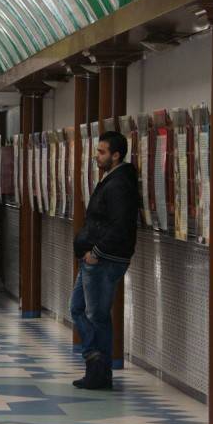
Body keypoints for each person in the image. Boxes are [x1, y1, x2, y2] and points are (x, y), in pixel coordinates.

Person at [71, 130, 139, 390]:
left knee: (97, 315)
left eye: (101, 152)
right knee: (78, 308)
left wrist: (96, 253)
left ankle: (99, 372)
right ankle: (95, 359)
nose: (96, 156)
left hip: (103, 260)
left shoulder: (120, 184)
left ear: (116, 155)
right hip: (94, 259)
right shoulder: (112, 179)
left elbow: (120, 225)